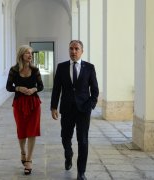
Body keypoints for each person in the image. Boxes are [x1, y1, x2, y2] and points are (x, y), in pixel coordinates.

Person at [50, 40, 99, 180]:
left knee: (83, 140)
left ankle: (81, 172)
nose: (73, 51)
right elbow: (56, 89)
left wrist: (90, 105)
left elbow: (95, 90)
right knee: (65, 137)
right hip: (67, 109)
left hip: (83, 110)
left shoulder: (89, 67)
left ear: (82, 51)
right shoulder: (61, 67)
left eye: (76, 49)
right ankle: (68, 153)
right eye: (71, 48)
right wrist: (54, 107)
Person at [6, 44, 44, 175]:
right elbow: (8, 87)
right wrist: (18, 88)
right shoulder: (14, 70)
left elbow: (41, 86)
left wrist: (34, 89)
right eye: (27, 53)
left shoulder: (35, 70)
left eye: (31, 53)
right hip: (19, 103)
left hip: (34, 103)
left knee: (32, 131)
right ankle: (23, 151)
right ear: (21, 55)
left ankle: (29, 159)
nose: (30, 55)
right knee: (21, 130)